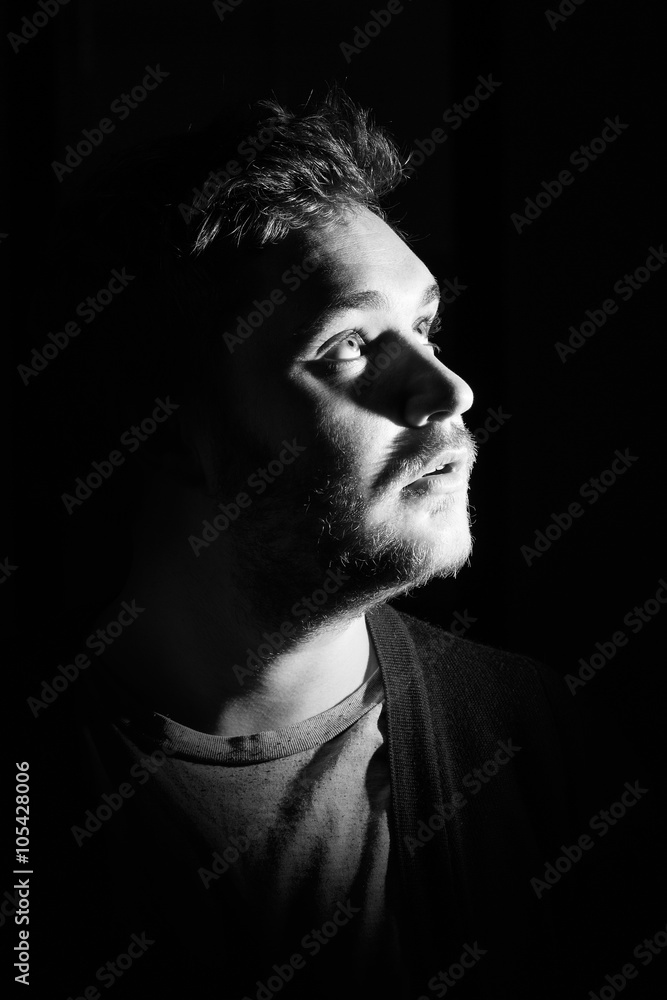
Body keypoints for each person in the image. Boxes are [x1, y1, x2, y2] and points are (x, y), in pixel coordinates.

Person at [28, 87, 636, 999]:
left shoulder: (528, 738)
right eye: (349, 344)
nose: (447, 390)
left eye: (423, 326)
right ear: (173, 432)